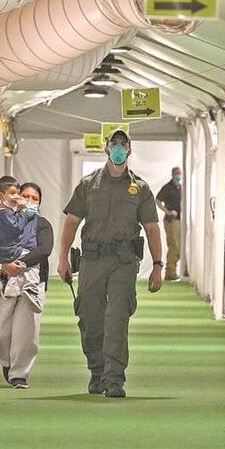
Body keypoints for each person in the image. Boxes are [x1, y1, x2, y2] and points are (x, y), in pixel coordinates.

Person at [57, 130, 164, 398]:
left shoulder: (140, 189)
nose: (117, 148)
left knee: (117, 318)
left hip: (123, 261)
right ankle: (97, 372)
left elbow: (151, 228)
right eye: (113, 144)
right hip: (92, 260)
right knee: (90, 317)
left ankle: (114, 378)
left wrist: (159, 265)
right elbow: (71, 221)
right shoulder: (88, 185)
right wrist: (62, 257)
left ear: (129, 150)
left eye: (122, 144)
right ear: (106, 148)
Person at [0, 180, 53, 389]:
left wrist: (19, 265)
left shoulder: (42, 224)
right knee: (2, 332)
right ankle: (7, 361)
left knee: (26, 331)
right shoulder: (6, 222)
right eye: (27, 196)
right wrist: (3, 265)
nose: (30, 201)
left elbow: (45, 250)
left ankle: (20, 373)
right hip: (5, 282)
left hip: (32, 283)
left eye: (35, 199)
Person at [0, 176, 42, 312]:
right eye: (13, 193)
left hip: (4, 254)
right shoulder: (5, 215)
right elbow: (18, 227)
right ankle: (27, 289)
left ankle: (13, 287)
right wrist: (23, 210)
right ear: (1, 195)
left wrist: (28, 210)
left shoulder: (9, 212)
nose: (16, 197)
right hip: (8, 253)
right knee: (28, 262)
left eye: (35, 199)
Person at [155, 166, 183, 281]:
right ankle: (169, 271)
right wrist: (167, 211)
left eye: (179, 173)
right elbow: (157, 200)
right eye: (176, 173)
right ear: (172, 174)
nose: (178, 176)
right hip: (171, 220)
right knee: (173, 245)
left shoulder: (180, 188)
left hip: (180, 220)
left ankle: (173, 269)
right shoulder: (168, 187)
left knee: (179, 246)